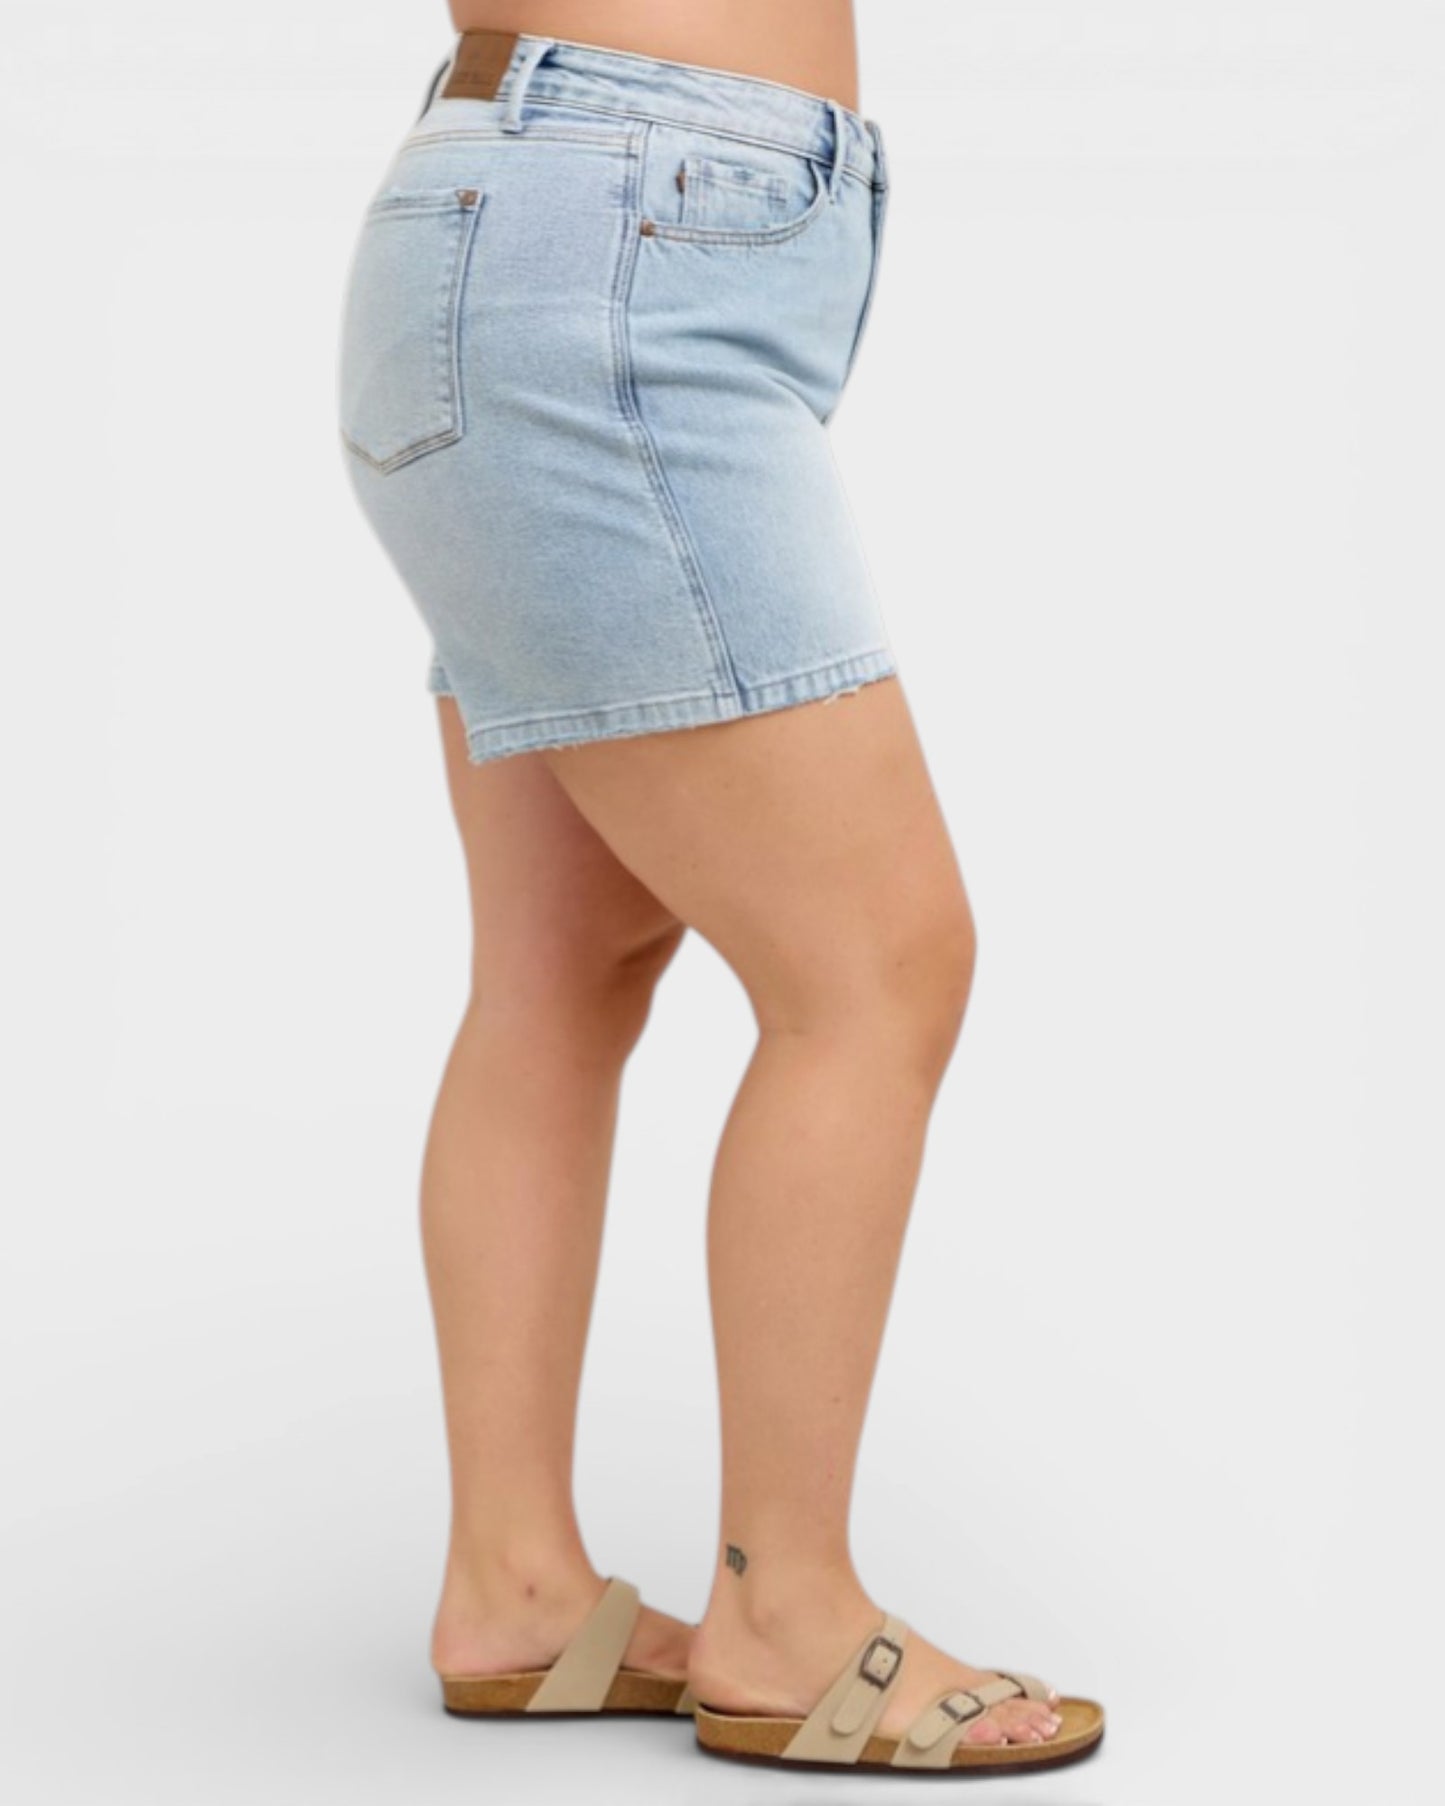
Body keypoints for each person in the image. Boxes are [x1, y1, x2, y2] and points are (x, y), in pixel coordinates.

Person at [337, 0, 1103, 1775]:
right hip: (619, 234)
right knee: (877, 967)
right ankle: (789, 1613)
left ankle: (514, 1586)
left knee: (567, 963)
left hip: (564, 220)